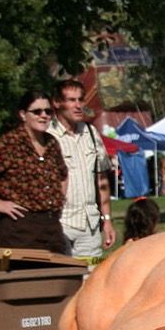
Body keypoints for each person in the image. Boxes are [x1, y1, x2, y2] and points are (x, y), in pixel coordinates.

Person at [0, 89, 69, 252]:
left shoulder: (52, 143)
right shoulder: (10, 143)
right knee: (25, 275)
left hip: (52, 226)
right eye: (37, 111)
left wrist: (58, 200)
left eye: (48, 111)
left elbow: (63, 174)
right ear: (23, 114)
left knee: (56, 275)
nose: (43, 115)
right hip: (21, 227)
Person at [48, 79, 114, 257]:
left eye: (80, 100)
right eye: (71, 100)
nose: (78, 106)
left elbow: (102, 180)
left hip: (89, 224)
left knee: (91, 277)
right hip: (59, 223)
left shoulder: (91, 133)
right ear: (57, 103)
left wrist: (106, 219)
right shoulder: (47, 136)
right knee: (61, 281)